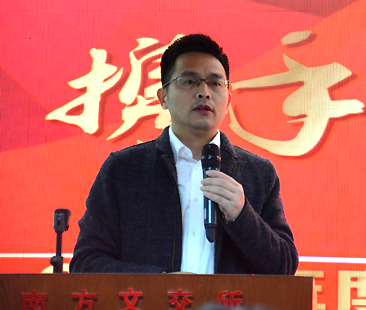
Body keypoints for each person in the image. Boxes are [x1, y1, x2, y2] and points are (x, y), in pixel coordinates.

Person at [70, 34, 298, 275]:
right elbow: (86, 263)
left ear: (228, 100)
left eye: (215, 83)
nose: (204, 92)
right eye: (189, 81)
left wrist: (242, 216)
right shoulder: (123, 169)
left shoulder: (258, 173)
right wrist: (161, 285)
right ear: (163, 98)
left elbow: (284, 267)